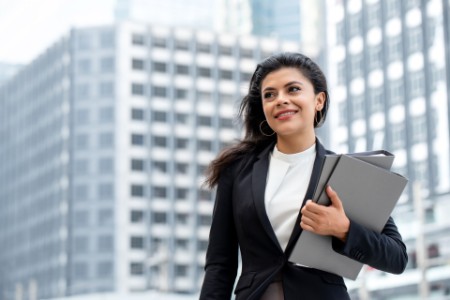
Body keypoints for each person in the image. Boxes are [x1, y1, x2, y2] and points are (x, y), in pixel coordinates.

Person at [199, 52, 408, 300]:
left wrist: (343, 229)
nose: (281, 100)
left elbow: (397, 257)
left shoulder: (348, 173)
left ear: (319, 100)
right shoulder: (237, 171)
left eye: (293, 89)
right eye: (270, 94)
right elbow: (219, 265)